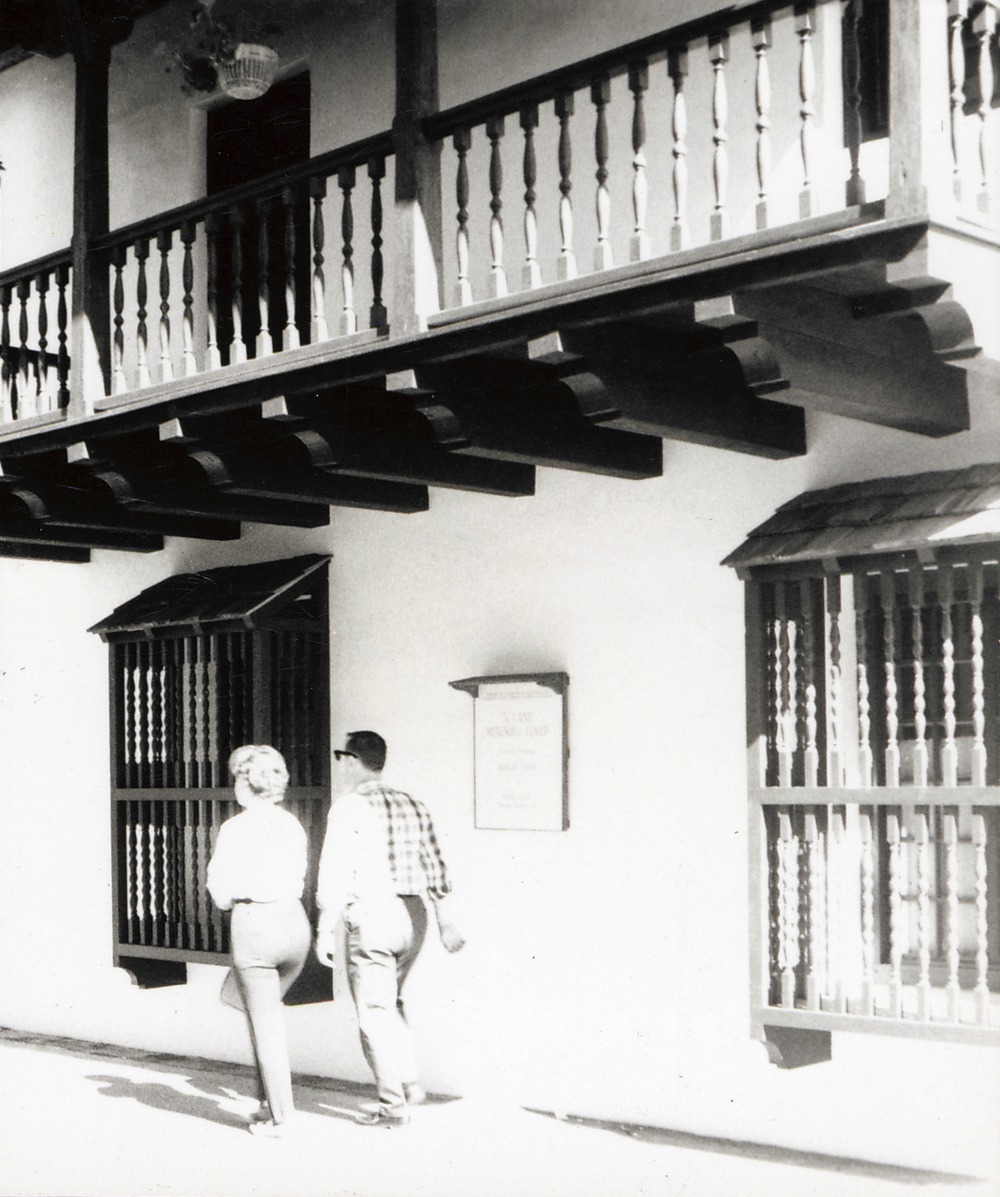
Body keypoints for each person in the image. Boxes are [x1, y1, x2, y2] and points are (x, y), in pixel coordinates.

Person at [315, 729, 465, 1128]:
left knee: (373, 1012)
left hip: (373, 914)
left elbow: (333, 871)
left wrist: (324, 926)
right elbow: (435, 866)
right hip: (414, 916)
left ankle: (392, 1105)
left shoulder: (348, 807)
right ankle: (411, 1082)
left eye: (341, 758)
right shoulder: (413, 804)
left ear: (351, 760)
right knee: (390, 1002)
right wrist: (446, 920)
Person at [206, 744, 311, 1138]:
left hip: (255, 925)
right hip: (295, 924)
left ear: (247, 783)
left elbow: (219, 893)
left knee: (265, 1024)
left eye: (237, 777)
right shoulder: (292, 824)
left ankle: (281, 1117)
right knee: (256, 1009)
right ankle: (268, 1099)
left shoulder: (236, 829)